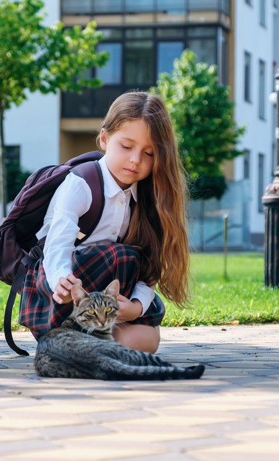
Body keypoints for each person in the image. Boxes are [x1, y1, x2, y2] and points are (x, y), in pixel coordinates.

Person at [19, 91, 190, 354]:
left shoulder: (150, 198)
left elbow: (149, 270)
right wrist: (62, 281)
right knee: (120, 256)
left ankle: (81, 347)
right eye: (126, 146)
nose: (136, 160)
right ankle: (68, 339)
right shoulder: (80, 184)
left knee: (148, 339)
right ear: (104, 138)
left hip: (108, 300)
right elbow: (57, 246)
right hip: (61, 291)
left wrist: (135, 307)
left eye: (149, 153)